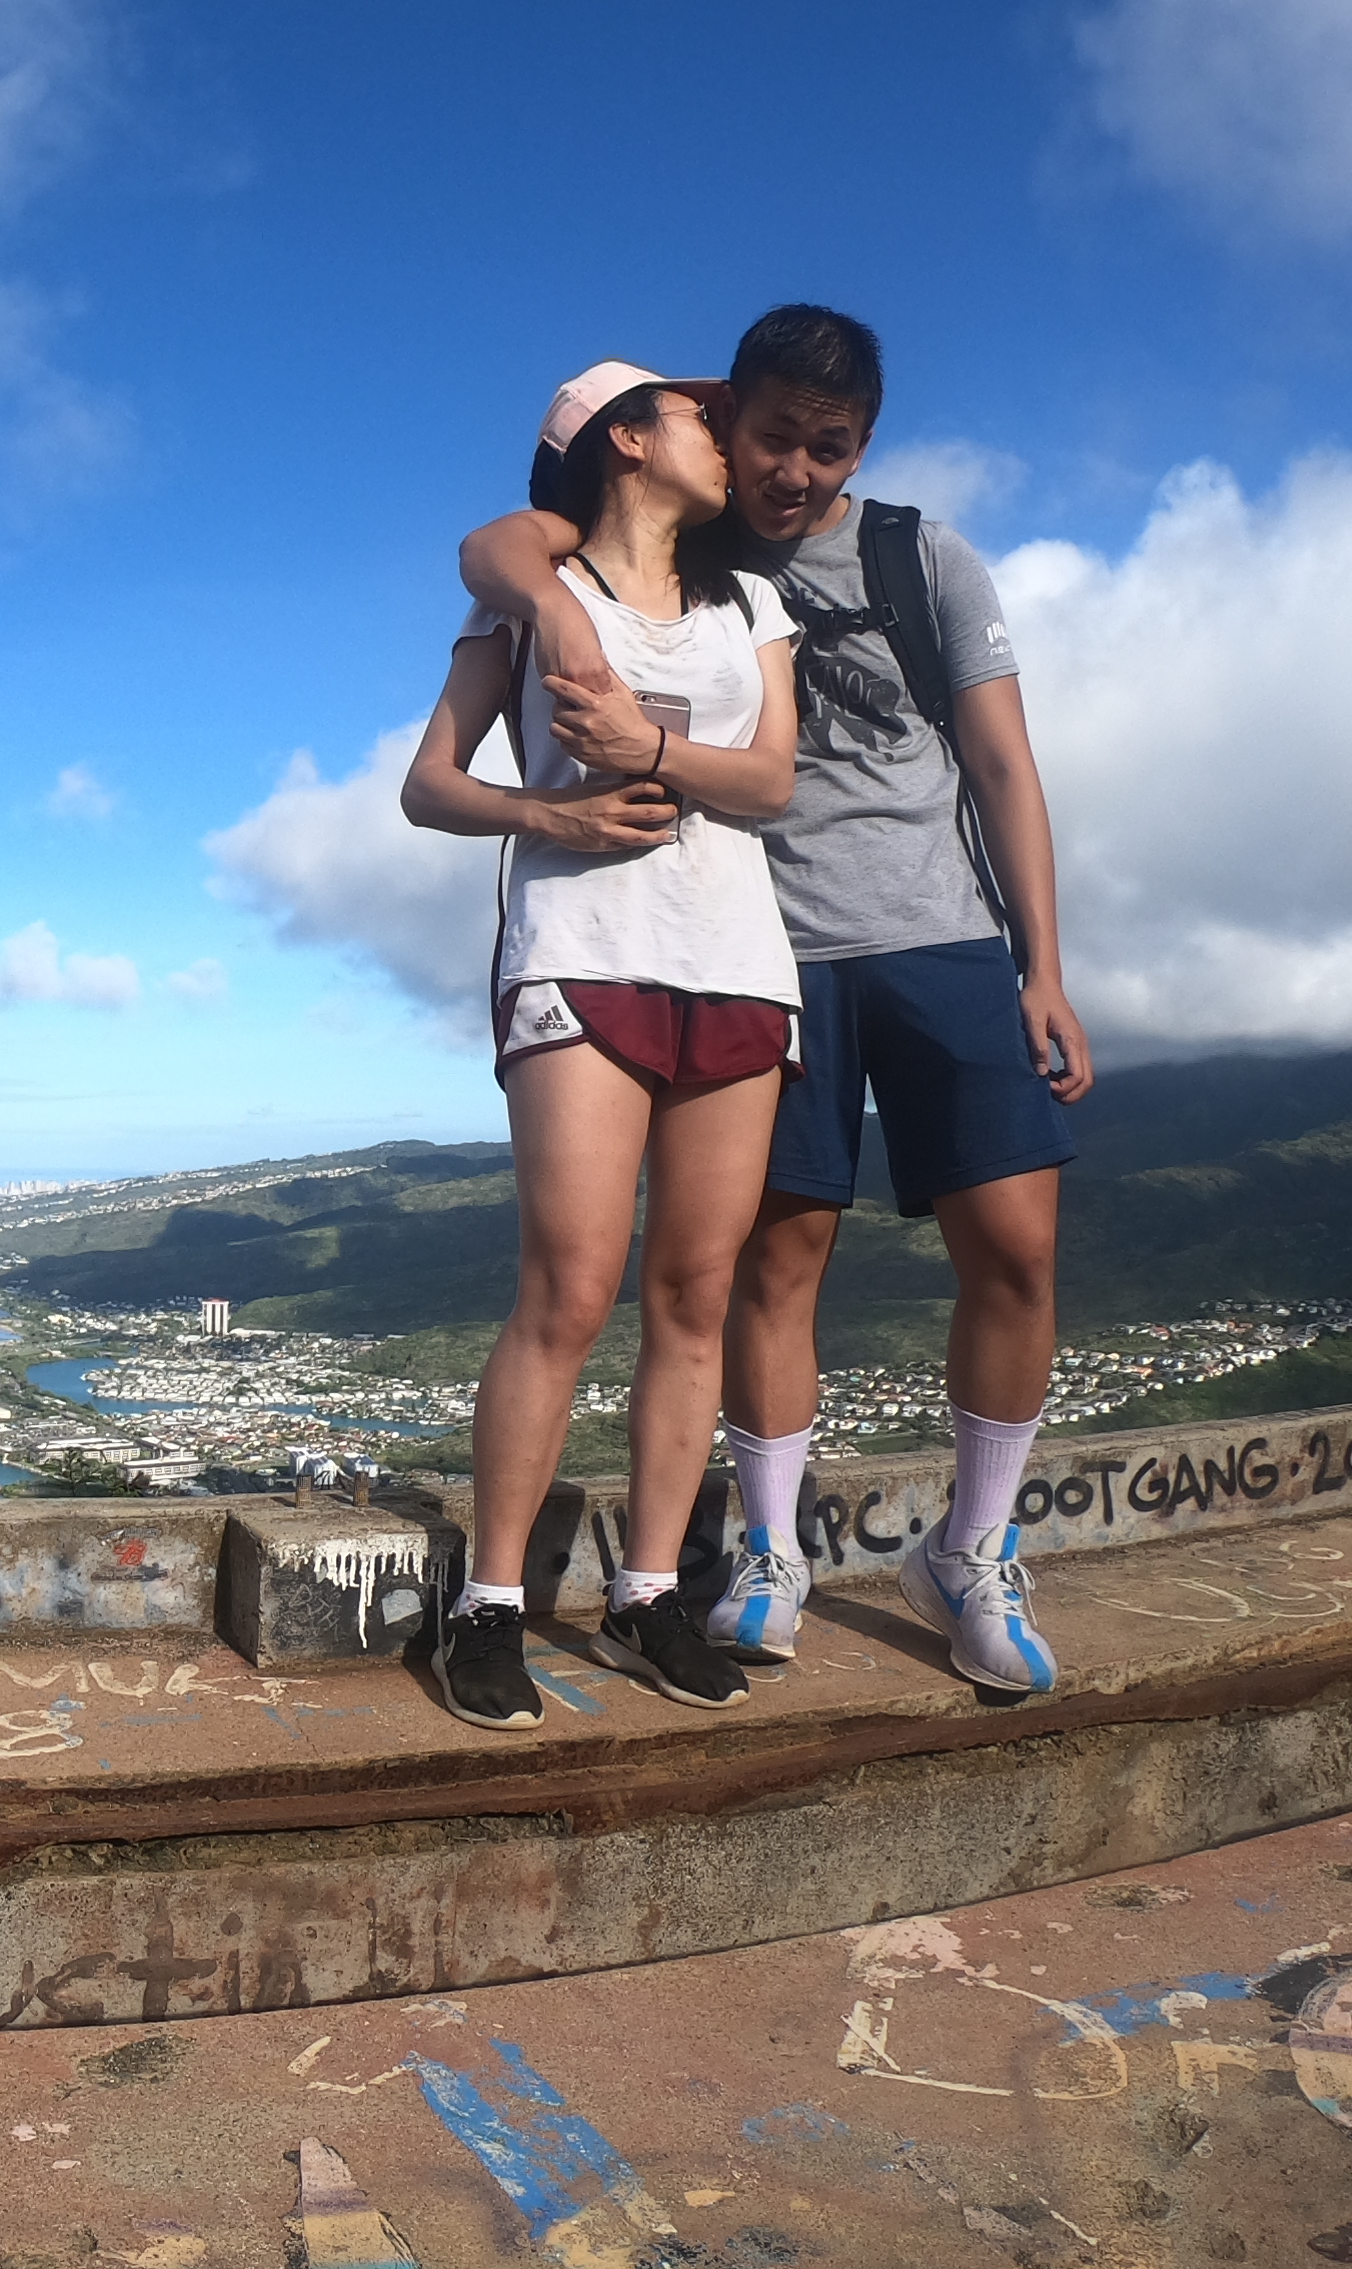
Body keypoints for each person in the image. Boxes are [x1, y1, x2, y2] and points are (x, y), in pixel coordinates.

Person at [462, 304, 1092, 1696]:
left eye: (829, 445)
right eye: (768, 437)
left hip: (938, 936)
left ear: (862, 442)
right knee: (770, 1267)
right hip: (769, 953)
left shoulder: (918, 558)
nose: (794, 470)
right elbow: (501, 545)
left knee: (1018, 1249)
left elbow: (1002, 766)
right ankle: (760, 1551)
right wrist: (561, 610)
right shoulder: (693, 547)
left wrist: (1043, 966)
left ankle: (974, 1550)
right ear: (721, 430)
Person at [400, 358, 801, 1728]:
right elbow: (431, 785)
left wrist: (653, 749)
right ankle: (491, 1608)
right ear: (627, 440)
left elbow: (775, 781)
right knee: (569, 1288)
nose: (724, 437)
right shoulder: (527, 593)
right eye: (698, 417)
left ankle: (646, 1599)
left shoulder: (751, 601)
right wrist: (553, 820)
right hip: (578, 952)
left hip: (738, 960)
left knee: (696, 1293)